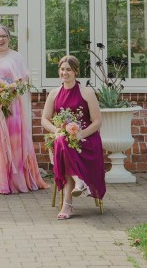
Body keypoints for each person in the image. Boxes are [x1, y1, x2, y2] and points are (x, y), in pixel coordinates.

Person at [0, 25, 49, 194]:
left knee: (12, 139)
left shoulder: (16, 56)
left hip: (11, 103)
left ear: (9, 38)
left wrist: (10, 91)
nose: (0, 39)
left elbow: (22, 80)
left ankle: (13, 178)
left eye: (4, 36)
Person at [41, 55, 106, 219]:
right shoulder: (54, 93)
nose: (65, 73)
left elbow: (97, 122)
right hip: (63, 137)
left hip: (86, 139)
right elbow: (44, 119)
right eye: (62, 69)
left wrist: (80, 134)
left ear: (76, 71)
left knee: (65, 147)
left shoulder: (87, 92)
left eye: (69, 69)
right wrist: (56, 130)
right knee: (62, 141)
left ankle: (68, 204)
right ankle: (78, 181)